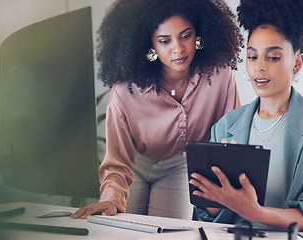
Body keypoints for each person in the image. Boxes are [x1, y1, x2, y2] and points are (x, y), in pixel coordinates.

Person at [71, 0, 244, 220]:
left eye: (185, 36)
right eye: (165, 41)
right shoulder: (125, 92)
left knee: (170, 233)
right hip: (134, 165)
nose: (178, 49)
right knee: (122, 229)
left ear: (198, 34)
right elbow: (117, 162)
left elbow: (230, 142)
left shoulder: (220, 77)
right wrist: (111, 198)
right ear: (150, 44)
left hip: (181, 165)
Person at [189, 0, 303, 233]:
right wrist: (215, 194)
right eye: (252, 57)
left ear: (297, 62)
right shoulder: (226, 126)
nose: (259, 67)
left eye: (272, 57)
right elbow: (211, 214)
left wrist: (254, 211)